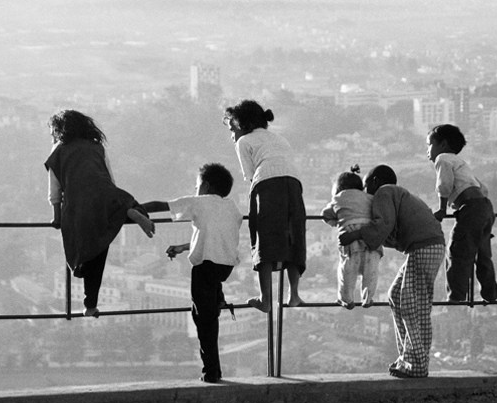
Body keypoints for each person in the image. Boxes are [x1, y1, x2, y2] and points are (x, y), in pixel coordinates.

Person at [45, 109, 155, 317]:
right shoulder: (96, 147)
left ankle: (90, 304)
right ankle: (129, 211)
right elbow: (109, 179)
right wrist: (113, 203)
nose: (51, 135)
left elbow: (55, 190)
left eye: (52, 131)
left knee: (86, 252)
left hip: (78, 204)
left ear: (59, 130)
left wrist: (57, 217)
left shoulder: (58, 150)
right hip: (106, 195)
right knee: (100, 244)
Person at [340, 165, 445, 378]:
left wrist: (356, 234)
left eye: (367, 186)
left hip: (424, 246)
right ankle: (407, 358)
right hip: (426, 246)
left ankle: (417, 363)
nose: (366, 193)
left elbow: (383, 225)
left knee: (411, 303)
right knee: (397, 295)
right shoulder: (396, 196)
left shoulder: (384, 192)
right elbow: (386, 230)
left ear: (376, 181)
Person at [141, 163, 242, 383]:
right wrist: (181, 247)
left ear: (204, 186)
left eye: (196, 186)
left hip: (205, 267)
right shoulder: (232, 207)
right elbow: (211, 239)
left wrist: (133, 208)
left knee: (203, 319)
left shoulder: (199, 202)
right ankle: (218, 299)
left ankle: (211, 372)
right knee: (209, 301)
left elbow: (163, 205)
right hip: (224, 266)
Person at [223, 100, 306, 313]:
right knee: (294, 235)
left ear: (241, 125)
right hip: (294, 183)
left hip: (267, 183)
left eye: (232, 129)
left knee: (264, 238)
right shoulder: (279, 138)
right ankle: (294, 294)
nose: (232, 135)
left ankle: (265, 299)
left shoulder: (244, 142)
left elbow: (250, 176)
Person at [427, 124, 497, 304]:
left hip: (471, 209)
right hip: (484, 207)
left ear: (442, 145)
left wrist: (443, 209)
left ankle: (457, 296)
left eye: (429, 144)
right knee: (483, 255)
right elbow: (482, 188)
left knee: (457, 252)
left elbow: (444, 184)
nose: (427, 151)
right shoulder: (461, 163)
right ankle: (490, 293)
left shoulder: (443, 159)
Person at [321, 165, 383, 309]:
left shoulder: (338, 198)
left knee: (346, 272)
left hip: (350, 240)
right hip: (370, 240)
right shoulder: (370, 198)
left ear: (338, 188)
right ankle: (368, 299)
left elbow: (325, 214)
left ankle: (346, 299)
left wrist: (337, 222)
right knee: (371, 273)